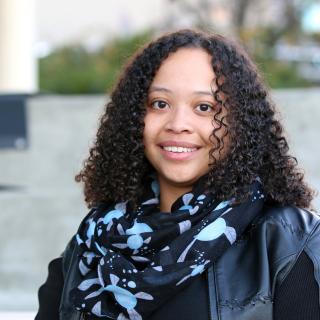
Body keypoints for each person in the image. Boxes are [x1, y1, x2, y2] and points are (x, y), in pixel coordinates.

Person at [36, 29, 320, 320]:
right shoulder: (90, 243)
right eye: (160, 103)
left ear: (241, 125)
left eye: (205, 107)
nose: (178, 123)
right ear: (133, 118)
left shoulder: (289, 243)